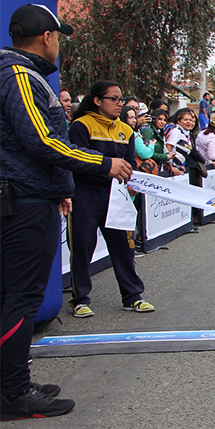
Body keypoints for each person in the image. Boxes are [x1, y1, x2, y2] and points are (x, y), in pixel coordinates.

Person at [1, 4, 133, 421]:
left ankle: (11, 380)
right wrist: (101, 163)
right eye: (59, 37)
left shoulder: (19, 74)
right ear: (47, 37)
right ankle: (13, 393)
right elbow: (41, 141)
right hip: (22, 206)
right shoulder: (21, 76)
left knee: (12, 294)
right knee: (20, 297)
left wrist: (56, 185)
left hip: (27, 196)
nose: (59, 46)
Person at [68, 81, 154, 320]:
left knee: (124, 248)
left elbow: (130, 164)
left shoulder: (126, 130)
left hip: (116, 196)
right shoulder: (80, 125)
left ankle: (133, 297)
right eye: (114, 99)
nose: (120, 104)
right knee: (83, 248)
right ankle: (80, 299)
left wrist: (132, 180)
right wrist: (106, 168)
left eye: (121, 99)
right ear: (97, 100)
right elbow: (76, 160)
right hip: (85, 194)